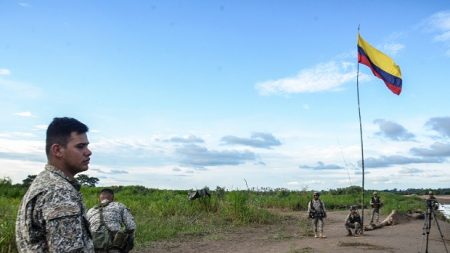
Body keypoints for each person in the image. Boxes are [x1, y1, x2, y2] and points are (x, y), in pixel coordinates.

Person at [16, 117, 94, 252]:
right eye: (80, 146)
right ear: (57, 150)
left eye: (87, 145)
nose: (88, 152)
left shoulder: (45, 182)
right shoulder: (59, 191)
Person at [87, 188, 136, 253]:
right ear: (113, 199)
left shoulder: (90, 210)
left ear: (99, 199)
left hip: (95, 245)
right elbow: (131, 226)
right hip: (115, 245)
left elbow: (85, 230)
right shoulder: (119, 205)